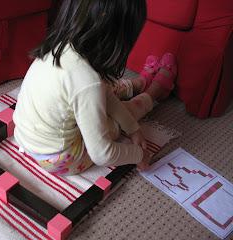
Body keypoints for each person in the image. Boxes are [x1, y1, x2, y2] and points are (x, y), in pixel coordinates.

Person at [13, 0, 177, 175]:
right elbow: (102, 154)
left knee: (104, 90)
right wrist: (139, 154)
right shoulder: (86, 80)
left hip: (25, 137)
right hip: (59, 158)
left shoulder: (61, 46)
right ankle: (154, 93)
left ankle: (139, 84)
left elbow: (101, 92)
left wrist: (133, 129)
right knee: (113, 115)